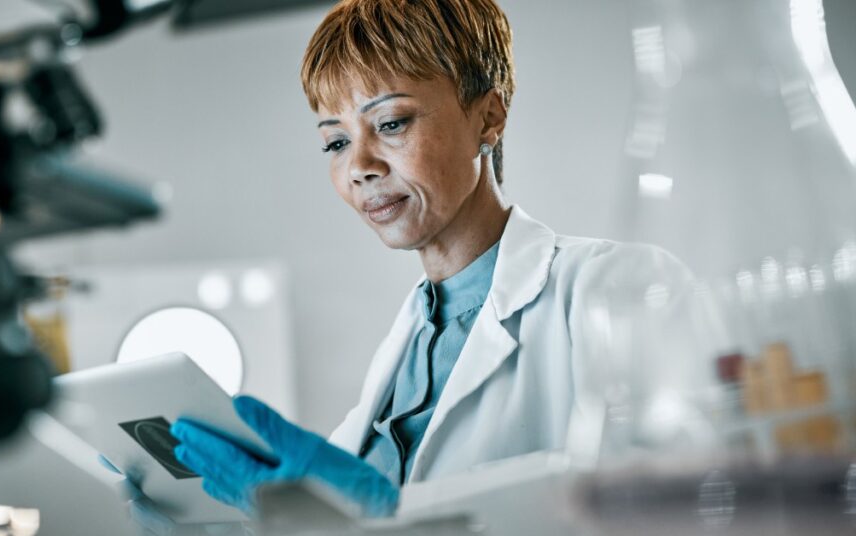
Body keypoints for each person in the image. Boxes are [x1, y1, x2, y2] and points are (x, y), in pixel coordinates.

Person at [108, 0, 690, 532]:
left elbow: (688, 513)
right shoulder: (408, 349)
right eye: (335, 143)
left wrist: (391, 516)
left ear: (487, 118)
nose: (359, 166)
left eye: (390, 124)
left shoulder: (614, 288)